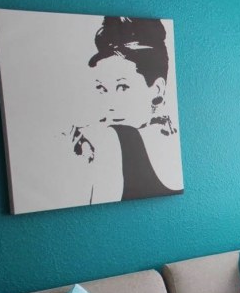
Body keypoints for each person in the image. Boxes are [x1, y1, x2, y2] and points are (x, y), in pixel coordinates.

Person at [65, 16, 183, 203]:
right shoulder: (171, 142)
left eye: (123, 87)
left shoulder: (110, 139)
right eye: (102, 89)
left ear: (157, 89)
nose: (109, 104)